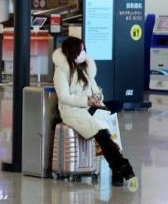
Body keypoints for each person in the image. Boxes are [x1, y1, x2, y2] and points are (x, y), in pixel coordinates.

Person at [53, 36, 135, 186]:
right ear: (73, 51)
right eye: (81, 50)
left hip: (89, 107)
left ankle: (118, 169)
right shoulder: (61, 71)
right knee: (101, 132)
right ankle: (122, 165)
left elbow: (97, 90)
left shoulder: (84, 69)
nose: (84, 53)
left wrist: (97, 98)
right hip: (72, 111)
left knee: (110, 117)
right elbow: (64, 97)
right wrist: (86, 101)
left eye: (84, 50)